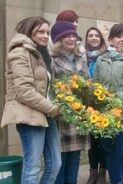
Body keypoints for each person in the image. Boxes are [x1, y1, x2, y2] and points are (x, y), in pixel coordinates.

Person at [0, 16, 61, 183]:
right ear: (29, 30)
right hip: (30, 115)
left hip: (46, 113)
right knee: (32, 166)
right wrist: (53, 108)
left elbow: (46, 87)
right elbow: (24, 91)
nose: (44, 36)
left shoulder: (42, 53)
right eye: (40, 31)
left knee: (55, 163)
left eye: (47, 33)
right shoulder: (19, 52)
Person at [93, 23, 123, 184]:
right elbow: (96, 84)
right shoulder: (101, 59)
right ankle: (115, 180)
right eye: (119, 36)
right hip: (104, 113)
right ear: (110, 39)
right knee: (109, 149)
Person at [50, 20, 89, 184]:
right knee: (60, 159)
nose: (72, 39)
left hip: (79, 113)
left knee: (75, 157)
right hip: (62, 114)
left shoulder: (81, 57)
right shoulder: (52, 60)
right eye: (68, 35)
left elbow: (88, 82)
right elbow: (50, 87)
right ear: (59, 39)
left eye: (74, 35)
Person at [85, 27, 108, 184]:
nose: (93, 38)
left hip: (104, 104)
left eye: (96, 35)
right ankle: (93, 172)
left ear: (101, 38)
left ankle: (102, 173)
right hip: (87, 105)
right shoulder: (81, 56)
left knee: (104, 141)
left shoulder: (107, 56)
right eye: (90, 35)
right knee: (92, 142)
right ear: (86, 39)